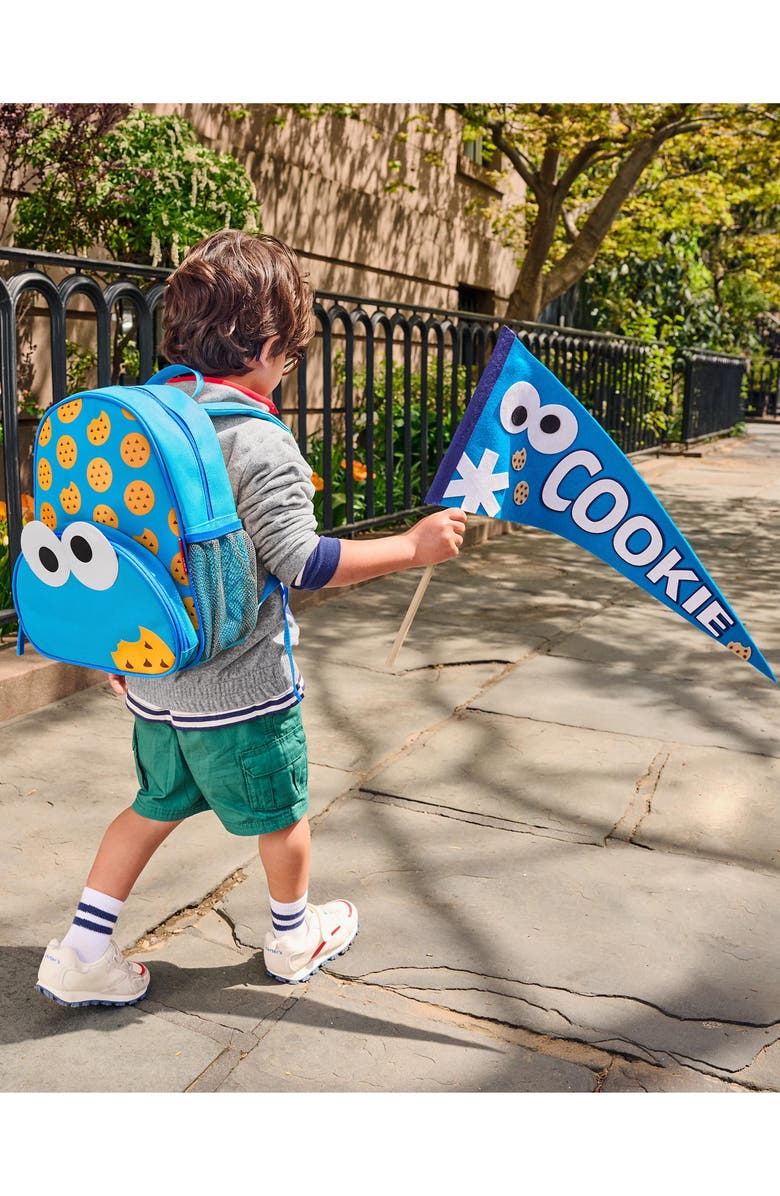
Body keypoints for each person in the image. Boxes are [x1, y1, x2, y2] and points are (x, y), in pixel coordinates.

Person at [35, 229, 467, 1007]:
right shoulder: (258, 442)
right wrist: (411, 545)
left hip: (153, 676)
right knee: (283, 814)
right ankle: (293, 936)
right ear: (269, 348)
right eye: (290, 359)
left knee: (149, 808)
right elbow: (304, 562)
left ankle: (80, 952)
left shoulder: (156, 416)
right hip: (244, 689)